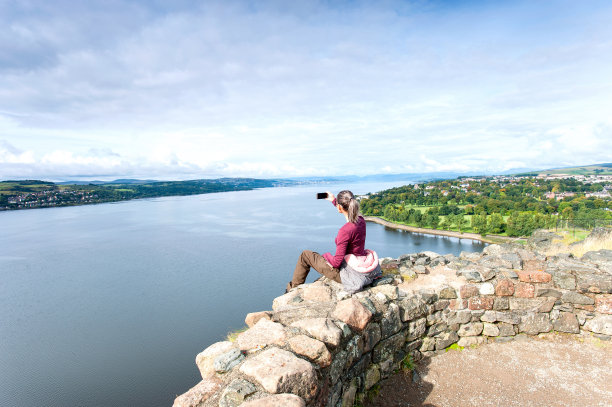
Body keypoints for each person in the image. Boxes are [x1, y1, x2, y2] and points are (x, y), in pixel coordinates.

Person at [287, 190, 381, 294]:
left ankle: (291, 291)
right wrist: (333, 200)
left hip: (348, 273)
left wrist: (327, 256)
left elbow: (336, 263)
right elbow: (348, 210)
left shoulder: (344, 231)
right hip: (360, 264)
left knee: (305, 255)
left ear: (340, 207)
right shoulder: (361, 220)